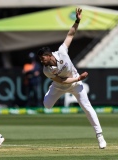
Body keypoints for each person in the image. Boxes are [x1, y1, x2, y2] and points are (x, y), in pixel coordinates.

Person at [37, 8, 106, 149]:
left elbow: (70, 35)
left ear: (49, 55)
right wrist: (78, 78)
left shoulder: (62, 52)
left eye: (42, 58)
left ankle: (100, 136)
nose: (41, 61)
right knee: (47, 105)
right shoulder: (46, 70)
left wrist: (77, 20)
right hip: (60, 86)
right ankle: (50, 92)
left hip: (75, 85)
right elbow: (62, 81)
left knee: (87, 107)